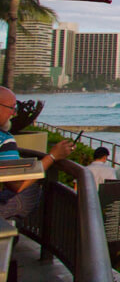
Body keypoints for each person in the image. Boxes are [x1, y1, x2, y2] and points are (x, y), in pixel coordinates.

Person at [0, 86, 74, 219]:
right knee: (31, 189)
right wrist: (52, 156)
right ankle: (12, 229)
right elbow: (17, 184)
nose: (14, 114)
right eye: (12, 108)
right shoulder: (3, 139)